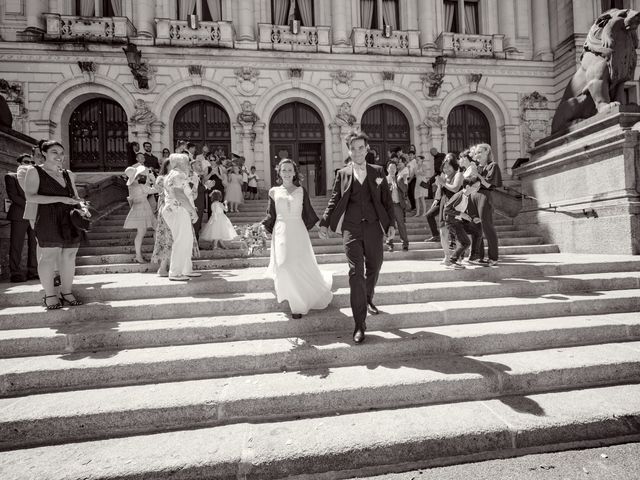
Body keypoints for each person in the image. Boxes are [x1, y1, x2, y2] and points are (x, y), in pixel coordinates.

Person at [319, 132, 395, 344]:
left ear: (367, 148)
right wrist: (325, 222)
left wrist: (391, 225)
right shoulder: (342, 173)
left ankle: (367, 296)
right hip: (351, 230)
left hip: (373, 228)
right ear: (349, 150)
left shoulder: (378, 171)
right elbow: (335, 199)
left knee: (375, 266)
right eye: (354, 148)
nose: (358, 152)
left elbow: (387, 202)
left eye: (361, 148)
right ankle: (359, 324)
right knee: (355, 273)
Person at [263, 158, 332, 319]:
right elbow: (270, 214)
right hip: (280, 231)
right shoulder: (273, 191)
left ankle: (297, 305)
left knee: (298, 264)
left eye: (289, 169)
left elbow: (309, 212)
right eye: (283, 169)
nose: (286, 172)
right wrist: (261, 228)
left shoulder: (301, 191)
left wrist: (321, 228)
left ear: (294, 172)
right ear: (279, 172)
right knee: (283, 264)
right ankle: (291, 296)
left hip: (298, 231)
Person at [24, 140, 84, 309]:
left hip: (70, 219)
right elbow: (31, 197)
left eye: (61, 153)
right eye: (54, 152)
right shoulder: (34, 171)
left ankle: (66, 292)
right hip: (47, 218)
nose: (59, 156)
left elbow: (75, 196)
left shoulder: (68, 174)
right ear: (44, 153)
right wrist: (60, 198)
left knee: (69, 256)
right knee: (49, 256)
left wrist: (83, 206)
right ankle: (50, 294)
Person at [161, 154, 201, 281]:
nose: (189, 165)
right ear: (180, 163)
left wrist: (191, 208)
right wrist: (192, 211)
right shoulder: (177, 175)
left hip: (179, 210)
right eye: (187, 162)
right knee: (181, 240)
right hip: (177, 210)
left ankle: (186, 269)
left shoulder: (175, 174)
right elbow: (179, 195)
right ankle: (175, 272)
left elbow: (186, 195)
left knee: (187, 240)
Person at [5, 153, 38, 282]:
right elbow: (13, 196)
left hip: (34, 214)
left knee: (34, 244)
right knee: (16, 244)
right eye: (26, 161)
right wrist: (30, 204)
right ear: (19, 163)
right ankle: (15, 273)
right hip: (19, 215)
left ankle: (33, 271)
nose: (29, 164)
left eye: (31, 162)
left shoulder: (35, 178)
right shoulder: (11, 177)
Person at [472, 143, 503, 266]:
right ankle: (479, 256)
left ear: (487, 152)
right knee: (476, 227)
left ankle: (493, 257)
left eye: (480, 152)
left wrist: (477, 174)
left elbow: (489, 185)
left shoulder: (493, 166)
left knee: (487, 226)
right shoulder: (477, 167)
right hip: (475, 197)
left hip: (486, 197)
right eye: (476, 152)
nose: (477, 154)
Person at [123, 164, 157, 264]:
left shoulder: (131, 187)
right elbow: (155, 190)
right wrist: (153, 179)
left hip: (136, 208)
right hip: (144, 208)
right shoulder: (141, 186)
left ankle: (139, 255)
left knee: (141, 233)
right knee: (156, 228)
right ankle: (156, 253)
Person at [434, 154, 463, 268]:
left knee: (457, 233)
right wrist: (439, 187)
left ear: (454, 166)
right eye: (444, 167)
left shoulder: (458, 174)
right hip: (444, 203)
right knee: (443, 232)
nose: (446, 169)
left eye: (448, 166)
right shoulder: (444, 176)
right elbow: (440, 191)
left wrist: (443, 183)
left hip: (455, 205)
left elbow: (455, 188)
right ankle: (446, 256)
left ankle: (458, 257)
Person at [385, 160, 409, 252]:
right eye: (390, 168)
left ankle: (405, 244)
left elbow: (405, 190)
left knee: (401, 225)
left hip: (398, 205)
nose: (392, 170)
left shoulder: (399, 178)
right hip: (388, 206)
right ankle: (390, 244)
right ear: (387, 169)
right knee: (390, 225)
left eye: (394, 168)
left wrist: (402, 181)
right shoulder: (384, 180)